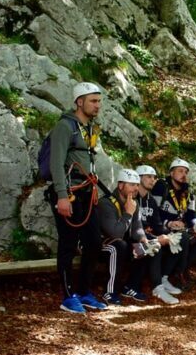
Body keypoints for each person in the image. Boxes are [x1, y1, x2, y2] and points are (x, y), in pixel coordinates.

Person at [47, 81, 108, 314]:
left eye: (99, 101)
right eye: (93, 101)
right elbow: (56, 162)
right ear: (79, 102)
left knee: (94, 242)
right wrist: (62, 195)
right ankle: (68, 295)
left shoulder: (88, 127)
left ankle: (84, 291)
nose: (97, 105)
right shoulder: (65, 126)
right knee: (68, 244)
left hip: (86, 192)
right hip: (69, 194)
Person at [152, 158, 196, 289]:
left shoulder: (187, 191)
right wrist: (169, 222)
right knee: (184, 237)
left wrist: (194, 224)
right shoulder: (161, 187)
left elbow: (191, 214)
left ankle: (181, 267)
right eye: (180, 171)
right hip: (163, 227)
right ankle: (179, 273)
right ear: (171, 173)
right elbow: (153, 212)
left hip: (181, 228)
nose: (184, 175)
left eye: (186, 172)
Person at [98, 169, 149, 305]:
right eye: (132, 185)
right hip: (100, 244)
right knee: (118, 246)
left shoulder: (133, 203)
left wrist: (144, 240)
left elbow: (137, 230)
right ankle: (109, 292)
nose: (136, 188)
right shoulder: (106, 203)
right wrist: (128, 213)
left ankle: (131, 287)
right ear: (121, 185)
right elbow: (115, 233)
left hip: (119, 242)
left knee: (142, 246)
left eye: (137, 185)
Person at [135, 164, 182, 305]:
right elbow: (132, 228)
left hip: (147, 234)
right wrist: (157, 238)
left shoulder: (151, 200)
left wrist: (169, 233)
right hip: (134, 239)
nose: (152, 180)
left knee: (179, 238)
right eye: (148, 176)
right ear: (139, 178)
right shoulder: (132, 197)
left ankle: (164, 277)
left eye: (154, 177)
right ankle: (157, 287)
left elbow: (157, 224)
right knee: (156, 245)